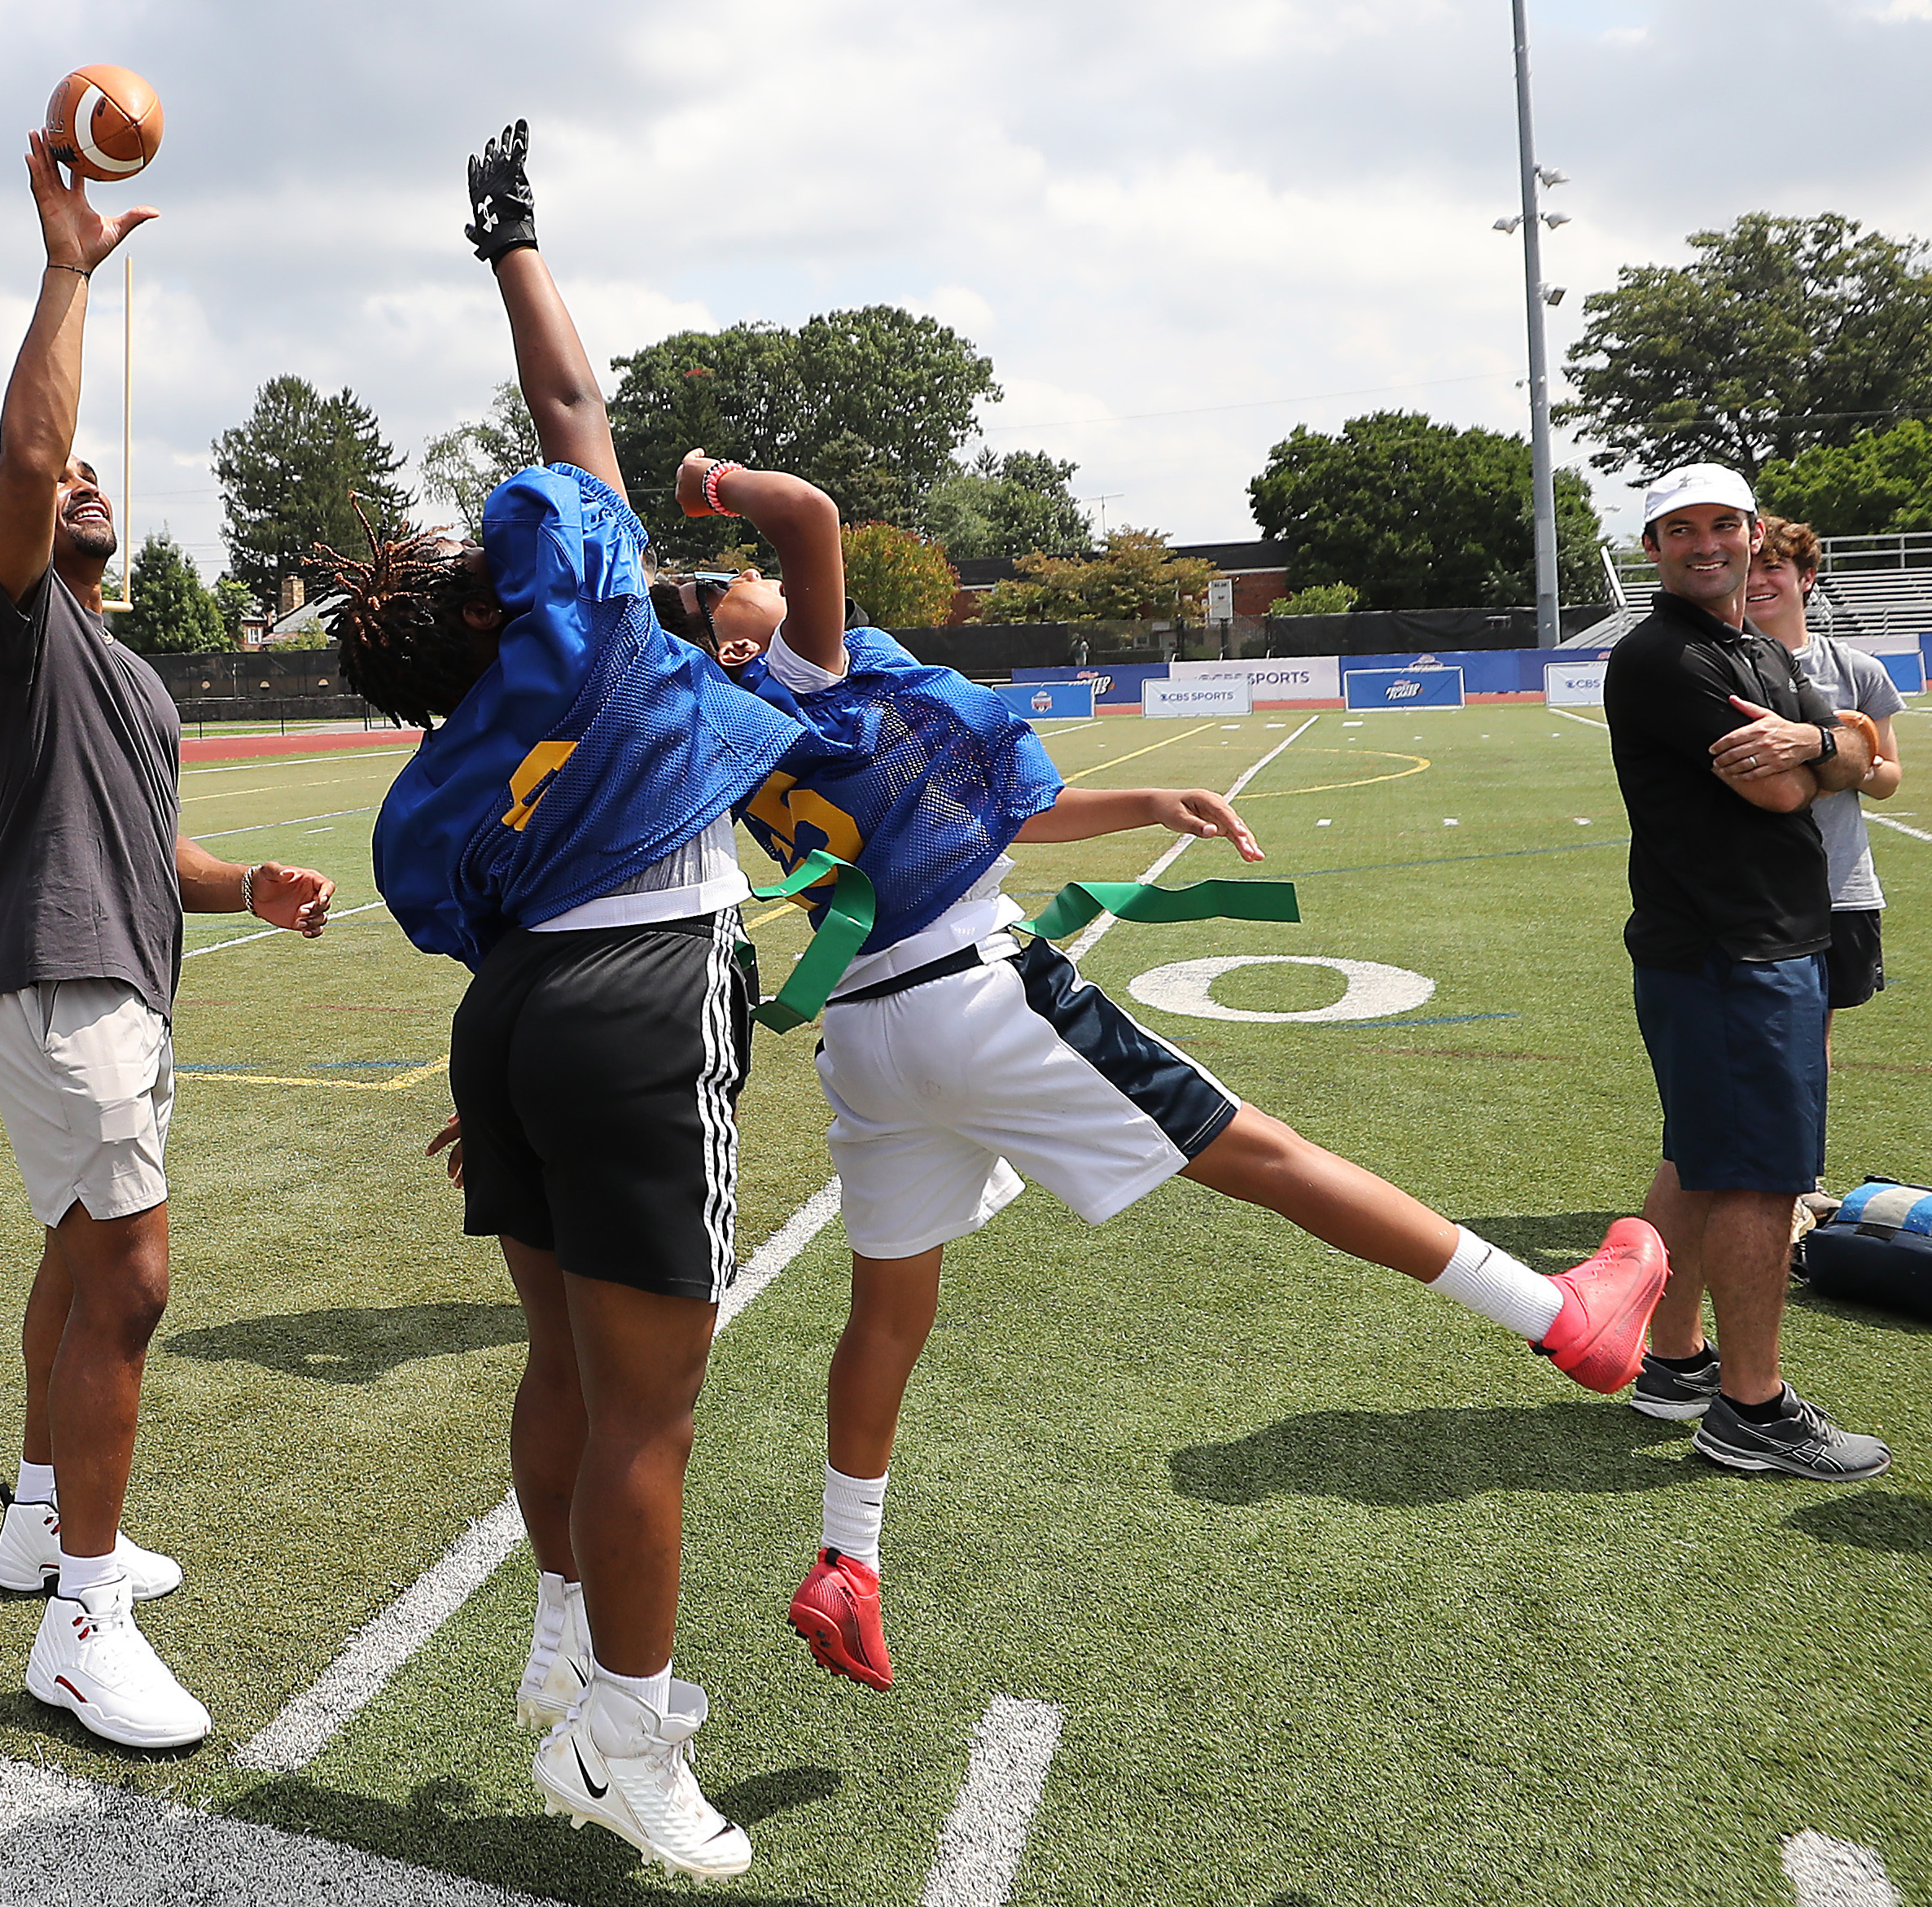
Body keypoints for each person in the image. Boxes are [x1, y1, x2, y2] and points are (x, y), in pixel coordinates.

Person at [646, 453, 1675, 1690]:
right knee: (1265, 1155)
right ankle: (1562, 1318)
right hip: (974, 991)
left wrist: (1147, 801)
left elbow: (994, 821)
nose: (747, 577)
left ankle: (848, 1562)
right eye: (723, 587)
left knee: (888, 1305)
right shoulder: (797, 672)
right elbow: (806, 510)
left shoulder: (730, 727)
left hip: (869, 1030)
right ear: (735, 648)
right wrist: (711, 481)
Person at [324, 121, 808, 1882]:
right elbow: (571, 418)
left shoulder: (433, 783)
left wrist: (525, 1080)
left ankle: (557, 1629)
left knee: (561, 1362)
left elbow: (472, 933)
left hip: (519, 1022)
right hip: (642, 988)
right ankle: (626, 1730)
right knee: (652, 1410)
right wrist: (512, 243)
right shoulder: (587, 615)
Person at [0, 130, 336, 1751]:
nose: (83, 483)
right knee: (132, 1280)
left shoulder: (127, 671)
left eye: (105, 481)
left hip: (111, 972)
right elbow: (33, 469)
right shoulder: (26, 621)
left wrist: (244, 885)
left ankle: (42, 1522)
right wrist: (64, 270)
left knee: (75, 1256)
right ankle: (81, 1626)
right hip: (57, 980)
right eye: (67, 485)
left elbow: (144, 850)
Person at [1604, 463, 1886, 1475]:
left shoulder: (1749, 645)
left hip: (1750, 941)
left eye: (1723, 524)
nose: (1705, 543)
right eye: (1681, 530)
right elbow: (1785, 796)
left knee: (1698, 1158)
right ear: (1655, 547)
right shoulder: (1669, 657)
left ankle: (1675, 1362)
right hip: (1731, 949)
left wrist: (1812, 740)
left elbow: (1862, 754)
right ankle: (1752, 1412)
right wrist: (1825, 755)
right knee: (1761, 1180)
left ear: (1756, 533)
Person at [1738, 516, 1904, 1041]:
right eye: (1750, 569)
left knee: (1814, 1037)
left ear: (1806, 578)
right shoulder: (1720, 664)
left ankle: (1810, 1127)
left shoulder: (1857, 669)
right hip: (1752, 884)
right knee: (1755, 1032)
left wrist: (1848, 763)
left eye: (1774, 568)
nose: (1759, 581)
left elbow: (1889, 778)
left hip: (1839, 883)